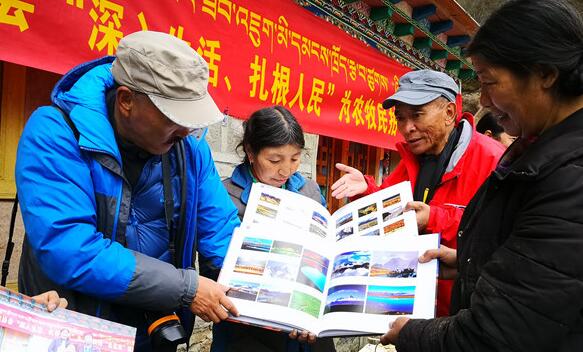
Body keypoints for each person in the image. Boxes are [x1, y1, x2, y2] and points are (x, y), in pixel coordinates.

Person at [15, 31, 240, 351]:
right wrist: (185, 289)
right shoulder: (56, 133)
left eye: (194, 119)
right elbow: (69, 247)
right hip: (76, 332)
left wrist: (285, 308)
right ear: (126, 100)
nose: (187, 130)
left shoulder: (189, 149)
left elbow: (222, 234)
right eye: (175, 117)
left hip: (156, 331)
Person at [380, 0, 583, 350]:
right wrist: (468, 263)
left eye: (490, 82)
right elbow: (537, 263)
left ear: (545, 74)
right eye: (401, 118)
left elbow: (497, 333)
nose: (485, 100)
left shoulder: (570, 177)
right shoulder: (537, 153)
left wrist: (409, 334)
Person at [330, 69, 504, 316]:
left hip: (468, 310)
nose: (407, 128)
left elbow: (496, 234)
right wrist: (367, 190)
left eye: (417, 115)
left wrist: (433, 218)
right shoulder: (413, 158)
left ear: (449, 113)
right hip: (411, 306)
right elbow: (393, 208)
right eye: (401, 118)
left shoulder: (492, 160)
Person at [214, 106, 334, 352]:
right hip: (248, 332)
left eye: (295, 158)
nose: (285, 170)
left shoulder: (310, 191)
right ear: (250, 151)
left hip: (306, 331)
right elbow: (213, 266)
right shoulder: (224, 195)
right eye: (275, 160)